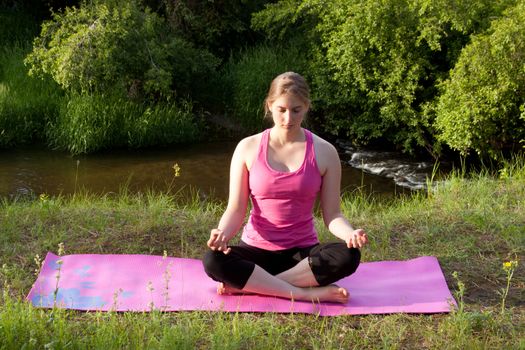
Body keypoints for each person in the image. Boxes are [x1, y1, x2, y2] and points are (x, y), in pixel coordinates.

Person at [203, 72, 368, 304]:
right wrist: (221, 234)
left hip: (301, 255)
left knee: (348, 256)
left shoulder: (325, 152)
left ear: (307, 107)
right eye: (281, 109)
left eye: (296, 110)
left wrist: (349, 233)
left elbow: (333, 215)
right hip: (255, 251)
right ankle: (302, 293)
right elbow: (236, 209)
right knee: (213, 260)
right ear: (269, 106)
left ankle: (254, 287)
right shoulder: (247, 148)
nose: (288, 118)